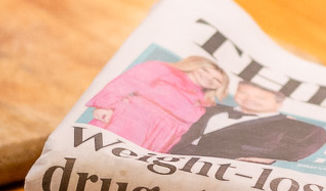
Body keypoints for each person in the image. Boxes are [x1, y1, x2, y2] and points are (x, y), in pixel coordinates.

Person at [83, 55, 227, 152]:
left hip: (159, 138)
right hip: (131, 120)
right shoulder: (161, 69)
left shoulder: (204, 103)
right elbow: (124, 83)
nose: (209, 78)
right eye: (206, 70)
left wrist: (163, 149)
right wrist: (105, 106)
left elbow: (183, 131)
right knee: (102, 152)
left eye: (217, 80)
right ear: (194, 64)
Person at [170, 80, 326, 162]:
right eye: (244, 93)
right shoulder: (212, 107)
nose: (249, 100)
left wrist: (272, 158)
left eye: (260, 98)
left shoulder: (291, 127)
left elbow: (314, 139)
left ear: (278, 102)